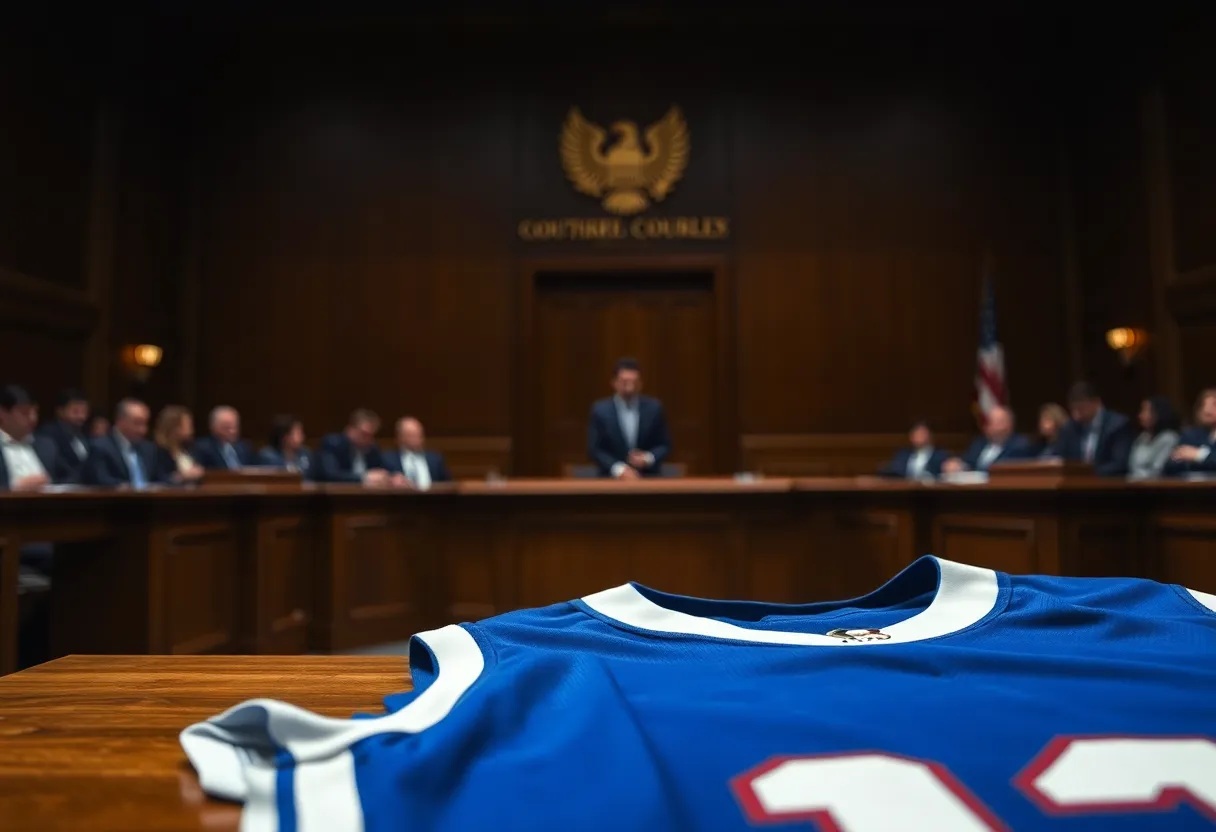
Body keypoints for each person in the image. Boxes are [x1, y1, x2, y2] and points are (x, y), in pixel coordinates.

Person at [587, 358, 672, 479]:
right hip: (610, 480)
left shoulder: (654, 408)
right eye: (625, 382)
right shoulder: (600, 410)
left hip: (648, 478)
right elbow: (594, 449)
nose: (630, 387)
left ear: (641, 383)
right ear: (614, 382)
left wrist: (648, 458)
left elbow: (665, 445)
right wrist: (619, 469)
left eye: (634, 382)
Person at [81, 398, 173, 488]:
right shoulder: (100, 447)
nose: (143, 430)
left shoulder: (149, 448)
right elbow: (100, 480)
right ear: (120, 421)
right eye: (137, 423)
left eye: (145, 423)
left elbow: (159, 479)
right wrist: (130, 488)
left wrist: (175, 479)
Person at [0, 384, 72, 491]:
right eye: (25, 413)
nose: (33, 418)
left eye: (35, 412)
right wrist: (13, 487)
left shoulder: (46, 444)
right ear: (3, 414)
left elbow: (70, 477)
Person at [1058, 381, 1134, 476]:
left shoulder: (1118, 425)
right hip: (1074, 485)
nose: (1076, 416)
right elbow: (1062, 459)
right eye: (1072, 410)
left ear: (1096, 403)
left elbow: (1120, 464)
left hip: (1108, 485)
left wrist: (1089, 474)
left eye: (1080, 409)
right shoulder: (1070, 427)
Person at [942, 405, 1033, 473]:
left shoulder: (1020, 444)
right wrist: (957, 465)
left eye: (998, 422)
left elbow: (1006, 468)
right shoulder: (979, 443)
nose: (992, 427)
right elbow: (967, 461)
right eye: (990, 422)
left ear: (1009, 425)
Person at [315, 409, 390, 485]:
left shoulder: (373, 449)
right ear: (350, 430)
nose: (369, 440)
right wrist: (364, 477)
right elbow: (331, 475)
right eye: (364, 434)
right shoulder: (333, 444)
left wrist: (391, 477)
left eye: (372, 435)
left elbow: (381, 471)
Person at [382, 416, 451, 490]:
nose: (417, 438)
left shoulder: (435, 459)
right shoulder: (387, 459)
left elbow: (448, 484)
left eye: (419, 434)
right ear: (400, 437)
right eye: (412, 435)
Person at [37, 387, 91, 478]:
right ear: (60, 411)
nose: (81, 417)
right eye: (75, 411)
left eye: (84, 411)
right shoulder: (48, 434)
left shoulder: (84, 434)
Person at [1164, 388, 1216, 476]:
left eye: (1214, 405)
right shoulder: (1189, 435)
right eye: (1203, 405)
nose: (1206, 409)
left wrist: (1199, 455)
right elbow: (1170, 466)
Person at [1127, 396, 1180, 479]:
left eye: (1145, 411)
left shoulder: (1169, 438)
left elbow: (1157, 470)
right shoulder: (1142, 437)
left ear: (1158, 413)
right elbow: (1132, 465)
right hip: (1134, 484)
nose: (1140, 416)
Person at [193, 406, 257, 470]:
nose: (233, 431)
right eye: (227, 427)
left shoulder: (244, 448)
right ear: (214, 427)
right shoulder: (203, 448)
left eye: (235, 427)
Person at [879, 421, 949, 480]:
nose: (918, 437)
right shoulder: (903, 454)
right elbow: (894, 471)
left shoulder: (940, 455)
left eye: (922, 434)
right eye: (915, 434)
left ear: (929, 436)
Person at [153, 406, 205, 484]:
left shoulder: (190, 448)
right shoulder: (158, 451)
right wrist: (182, 477)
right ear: (174, 428)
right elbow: (159, 479)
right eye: (187, 425)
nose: (191, 429)